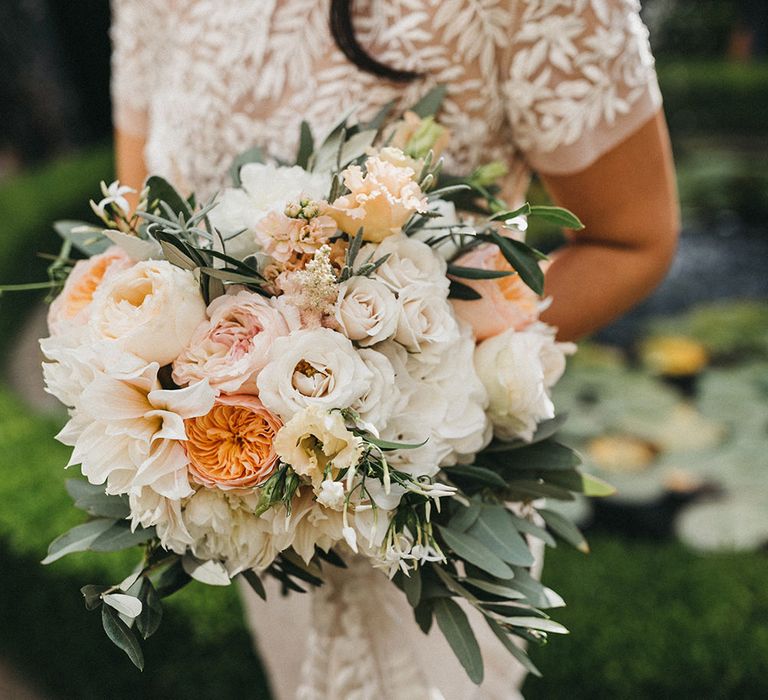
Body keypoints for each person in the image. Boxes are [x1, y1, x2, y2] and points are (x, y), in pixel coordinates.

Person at [111, 1, 679, 697]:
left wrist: (424, 384)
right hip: (255, 516)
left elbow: (632, 237)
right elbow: (143, 230)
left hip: (436, 508)